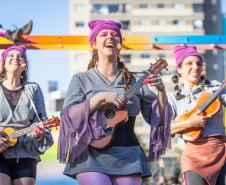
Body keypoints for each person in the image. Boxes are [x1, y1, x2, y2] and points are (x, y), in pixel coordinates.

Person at [58, 20, 172, 185]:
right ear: (94, 44)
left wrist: (162, 92)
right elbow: (67, 117)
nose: (110, 37)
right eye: (103, 34)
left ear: (119, 44)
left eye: (115, 35)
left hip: (129, 156)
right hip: (90, 157)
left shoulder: (135, 80)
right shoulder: (81, 79)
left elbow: (159, 120)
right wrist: (99, 98)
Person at [168, 45, 226, 185]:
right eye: (189, 63)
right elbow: (163, 130)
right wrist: (189, 123)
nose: (196, 67)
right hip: (193, 156)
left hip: (221, 150)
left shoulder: (214, 87)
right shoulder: (172, 97)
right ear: (179, 69)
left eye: (199, 63)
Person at [0, 45, 54, 185]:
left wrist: (37, 135)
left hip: (25, 153)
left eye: (20, 56)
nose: (16, 58)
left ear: (25, 65)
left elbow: (41, 120)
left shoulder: (33, 89)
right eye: (11, 55)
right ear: (3, 63)